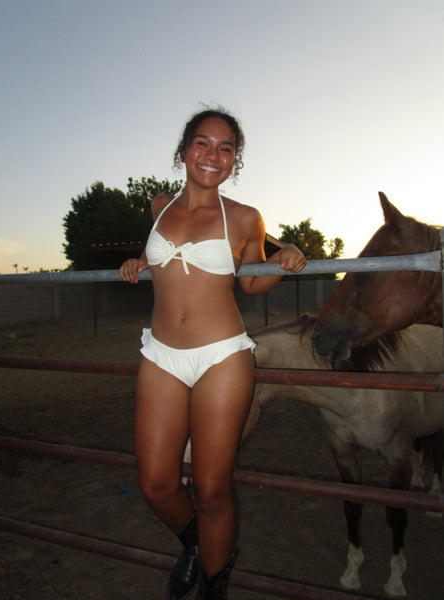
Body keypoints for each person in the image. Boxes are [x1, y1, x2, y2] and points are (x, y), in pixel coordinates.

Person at [119, 108, 306, 599]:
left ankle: (212, 588)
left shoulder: (245, 217)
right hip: (161, 355)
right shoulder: (160, 205)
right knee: (157, 485)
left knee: (210, 489)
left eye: (226, 149)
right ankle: (198, 545)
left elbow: (252, 283)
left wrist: (284, 257)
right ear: (184, 151)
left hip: (221, 357)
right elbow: (161, 260)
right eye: (203, 144)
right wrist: (138, 261)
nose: (213, 156)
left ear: (234, 161)